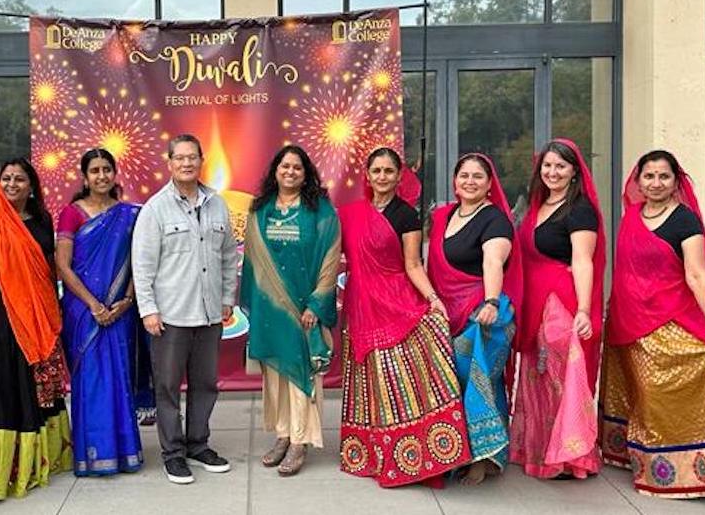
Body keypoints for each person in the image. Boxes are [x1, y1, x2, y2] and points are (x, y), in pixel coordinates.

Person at [600, 150, 705, 498]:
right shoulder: (631, 215)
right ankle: (642, 457)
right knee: (642, 394)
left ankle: (687, 470)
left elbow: (697, 274)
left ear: (676, 181)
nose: (656, 183)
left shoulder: (685, 221)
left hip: (668, 318)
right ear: (638, 180)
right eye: (649, 176)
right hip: (627, 321)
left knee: (682, 380)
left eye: (664, 176)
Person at [337, 147, 471, 487]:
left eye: (388, 171)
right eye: (376, 171)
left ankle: (414, 457)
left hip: (395, 300)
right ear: (366, 176)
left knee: (397, 381)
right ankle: (373, 455)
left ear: (399, 176)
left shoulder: (406, 216)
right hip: (360, 302)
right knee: (369, 382)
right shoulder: (349, 214)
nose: (382, 177)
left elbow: (413, 264)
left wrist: (433, 299)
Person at [0, 157, 73, 499]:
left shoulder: (41, 219)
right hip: (1, 313)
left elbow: (47, 269)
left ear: (31, 185)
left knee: (36, 386)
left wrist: (53, 312)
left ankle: (42, 458)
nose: (11, 185)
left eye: (19, 179)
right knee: (5, 385)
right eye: (5, 178)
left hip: (40, 315)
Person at [132, 133, 239, 485]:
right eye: (180, 158)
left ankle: (198, 444)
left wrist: (227, 298)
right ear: (170, 162)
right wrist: (148, 309)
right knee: (167, 387)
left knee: (206, 384)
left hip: (210, 314)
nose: (187, 163)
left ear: (201, 160)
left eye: (192, 157)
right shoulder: (155, 208)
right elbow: (143, 264)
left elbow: (227, 256)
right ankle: (173, 453)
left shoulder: (216, 203)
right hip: (171, 316)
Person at [509, 139, 606, 480]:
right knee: (538, 374)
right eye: (547, 166)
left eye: (560, 166)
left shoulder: (579, 209)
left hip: (561, 303)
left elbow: (583, 260)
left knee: (564, 376)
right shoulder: (538, 205)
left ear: (575, 171)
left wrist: (582, 309)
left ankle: (570, 456)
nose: (552, 172)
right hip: (535, 301)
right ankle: (539, 449)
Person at [242, 145, 340, 477]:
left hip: (304, 310)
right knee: (275, 377)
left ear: (306, 172)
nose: (290, 172)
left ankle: (300, 442)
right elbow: (253, 263)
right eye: (285, 166)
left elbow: (330, 259)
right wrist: (257, 306)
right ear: (275, 170)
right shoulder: (261, 210)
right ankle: (283, 435)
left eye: (297, 168)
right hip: (271, 310)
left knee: (301, 376)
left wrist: (316, 303)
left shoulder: (321, 211)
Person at [426, 153, 522, 486]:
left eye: (478, 176)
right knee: (454, 384)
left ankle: (486, 457)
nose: (470, 181)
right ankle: (458, 451)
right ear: (455, 180)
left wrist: (491, 302)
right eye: (464, 175)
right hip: (448, 312)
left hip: (484, 314)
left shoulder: (494, 219)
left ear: (489, 182)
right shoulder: (444, 216)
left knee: (478, 381)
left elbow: (493, 262)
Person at [55, 149, 143, 477]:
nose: (102, 176)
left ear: (115, 173)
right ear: (85, 177)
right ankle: (93, 454)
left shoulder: (129, 214)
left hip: (120, 309)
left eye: (107, 169)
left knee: (118, 377)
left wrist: (128, 300)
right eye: (95, 171)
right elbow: (62, 266)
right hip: (83, 311)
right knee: (91, 380)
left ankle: (123, 452)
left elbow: (139, 261)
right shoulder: (71, 214)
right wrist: (93, 305)